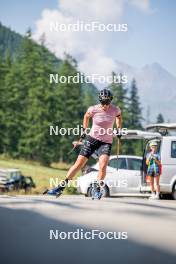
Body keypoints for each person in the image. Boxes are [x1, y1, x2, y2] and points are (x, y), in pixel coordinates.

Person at [44, 88, 122, 199]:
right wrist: (84, 130)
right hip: (92, 139)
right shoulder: (93, 109)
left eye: (107, 102)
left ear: (110, 100)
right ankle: (60, 188)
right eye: (103, 103)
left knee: (103, 165)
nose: (105, 105)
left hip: (106, 142)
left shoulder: (115, 109)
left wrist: (119, 128)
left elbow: (119, 117)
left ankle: (97, 189)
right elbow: (86, 116)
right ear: (100, 101)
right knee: (79, 164)